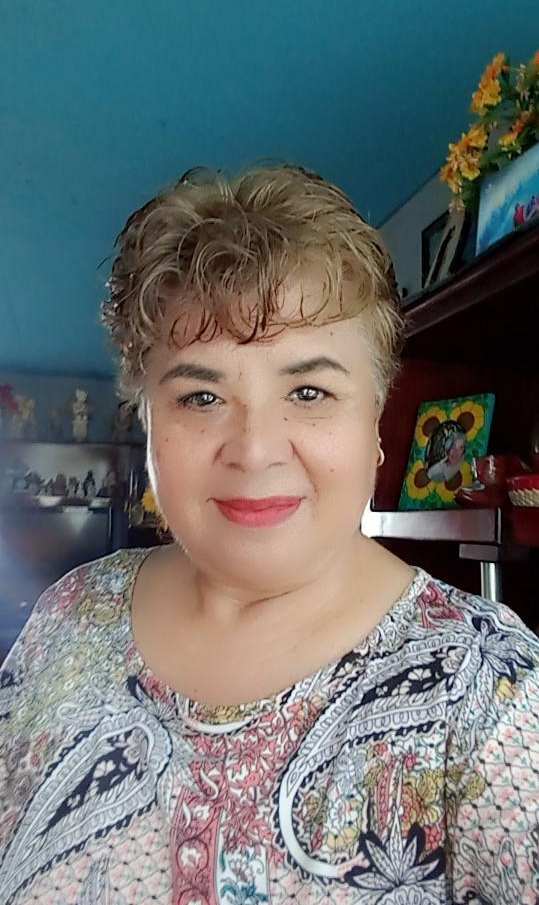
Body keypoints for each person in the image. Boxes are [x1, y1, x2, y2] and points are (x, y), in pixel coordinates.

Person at [0, 165, 538, 904]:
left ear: (376, 421)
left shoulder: (492, 694)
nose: (254, 450)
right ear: (146, 417)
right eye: (201, 396)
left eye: (308, 391)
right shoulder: (68, 616)